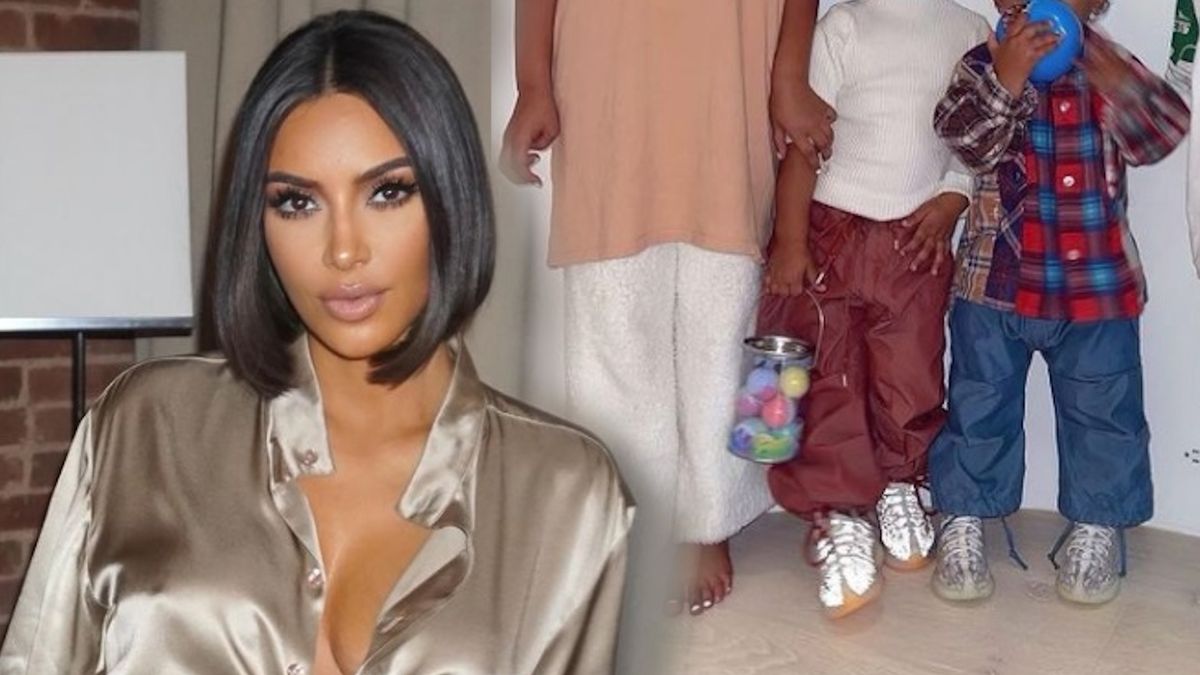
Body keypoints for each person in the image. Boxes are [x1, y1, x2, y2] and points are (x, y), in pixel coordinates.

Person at [0, 11, 633, 674]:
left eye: (387, 192)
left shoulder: (568, 491)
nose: (343, 250)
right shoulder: (146, 426)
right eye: (297, 202)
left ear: (450, 196)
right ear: (257, 221)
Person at [499, 0, 832, 619]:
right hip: (609, 99)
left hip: (726, 98)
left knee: (720, 335)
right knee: (615, 333)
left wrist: (789, 76)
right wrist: (532, 85)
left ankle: (708, 518)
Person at [930, 0, 1189, 605]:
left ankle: (1097, 524)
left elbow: (1161, 135)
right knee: (978, 409)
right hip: (994, 285)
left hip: (1095, 289)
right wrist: (1008, 77)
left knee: (1105, 415)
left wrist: (1104, 66)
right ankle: (965, 516)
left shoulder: (1107, 64)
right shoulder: (983, 62)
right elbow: (964, 140)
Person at [761, 0, 990, 618]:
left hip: (916, 240)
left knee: (911, 373)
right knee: (829, 378)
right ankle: (840, 512)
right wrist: (790, 240)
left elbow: (973, 141)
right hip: (831, 232)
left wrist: (953, 198)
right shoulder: (844, 26)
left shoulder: (969, 30)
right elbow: (804, 143)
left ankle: (900, 483)